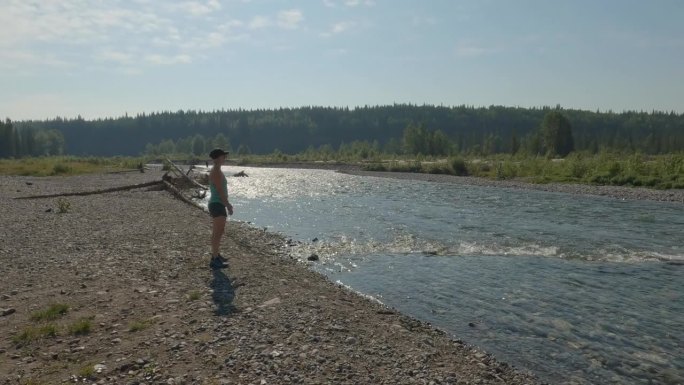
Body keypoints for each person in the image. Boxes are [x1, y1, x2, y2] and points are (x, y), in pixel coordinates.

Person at [208, 148, 233, 269]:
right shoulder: (216, 172)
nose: (225, 158)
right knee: (218, 232)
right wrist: (228, 205)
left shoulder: (217, 170)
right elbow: (220, 191)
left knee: (218, 231)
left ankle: (216, 255)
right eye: (224, 156)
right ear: (218, 158)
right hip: (217, 204)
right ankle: (215, 259)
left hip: (217, 203)